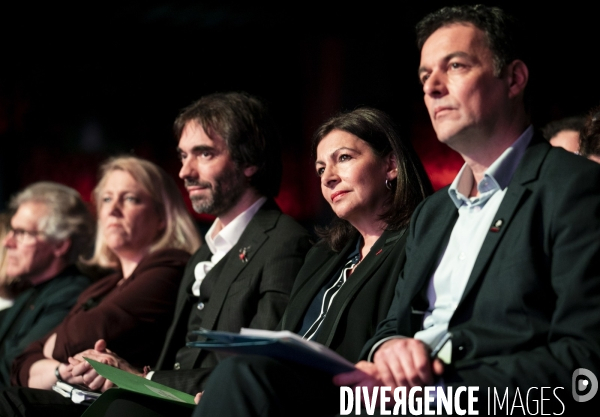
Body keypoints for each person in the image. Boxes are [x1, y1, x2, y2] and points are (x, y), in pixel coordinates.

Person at [330, 4, 600, 413]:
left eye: (454, 66)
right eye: (424, 76)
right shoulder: (433, 213)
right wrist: (389, 350)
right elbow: (390, 327)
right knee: (251, 377)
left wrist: (443, 392)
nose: (432, 87)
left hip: (478, 400)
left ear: (513, 78)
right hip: (391, 400)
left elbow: (586, 365)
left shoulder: (575, 186)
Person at [68, 92, 312, 414]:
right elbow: (177, 360)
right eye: (183, 156)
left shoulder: (285, 242)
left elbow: (259, 367)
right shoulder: (202, 253)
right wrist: (122, 368)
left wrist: (148, 379)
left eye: (204, 154)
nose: (184, 171)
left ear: (250, 161)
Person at [184, 108, 431, 417]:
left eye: (343, 158)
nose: (328, 177)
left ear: (391, 164)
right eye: (320, 169)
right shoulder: (323, 255)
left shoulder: (418, 242)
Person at [0, 156, 200, 416]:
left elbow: (88, 331)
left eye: (130, 199)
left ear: (162, 216)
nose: (113, 210)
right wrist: (61, 369)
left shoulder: (170, 266)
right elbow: (21, 362)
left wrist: (49, 348)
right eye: (106, 199)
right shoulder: (104, 285)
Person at [0, 183, 94, 388]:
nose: (8, 242)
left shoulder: (72, 294)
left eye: (21, 232)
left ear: (60, 244)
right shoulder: (30, 293)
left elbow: (16, 365)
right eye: (11, 231)